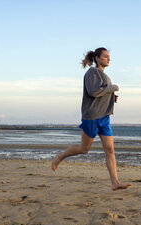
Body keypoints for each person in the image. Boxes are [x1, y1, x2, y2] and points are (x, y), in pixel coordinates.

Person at [51, 47, 131, 191]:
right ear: (97, 58)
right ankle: (60, 157)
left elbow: (102, 91)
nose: (109, 59)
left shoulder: (104, 75)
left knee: (110, 150)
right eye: (105, 56)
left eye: (109, 56)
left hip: (104, 118)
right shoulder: (92, 73)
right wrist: (113, 88)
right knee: (84, 149)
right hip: (92, 116)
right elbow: (93, 92)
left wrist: (111, 97)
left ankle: (115, 182)